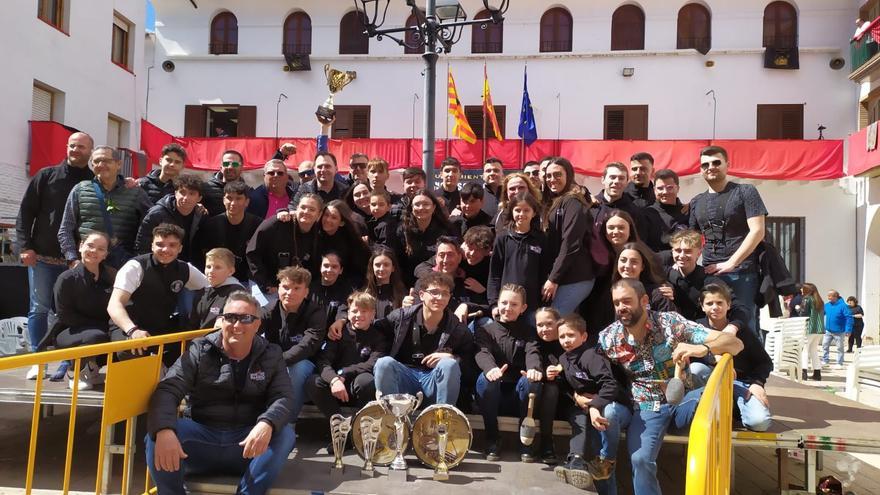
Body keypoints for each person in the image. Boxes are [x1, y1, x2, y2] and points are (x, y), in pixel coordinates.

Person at [597, 279, 743, 495]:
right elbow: (590, 369)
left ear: (644, 301)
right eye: (617, 303)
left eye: (627, 301)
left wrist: (702, 348)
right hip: (647, 407)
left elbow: (735, 344)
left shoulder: (670, 323)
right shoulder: (609, 338)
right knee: (640, 459)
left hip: (684, 399)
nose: (621, 308)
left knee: (711, 394)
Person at [145, 291, 295, 494]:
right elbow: (168, 388)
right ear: (221, 321)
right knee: (157, 435)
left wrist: (266, 423)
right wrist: (164, 429)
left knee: (284, 434)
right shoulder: (199, 349)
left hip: (246, 445)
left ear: (257, 324)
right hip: (201, 439)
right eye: (231, 318)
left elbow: (283, 397)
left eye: (246, 319)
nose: (237, 325)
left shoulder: (272, 353)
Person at [16, 131, 94, 379]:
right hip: (42, 259)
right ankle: (38, 362)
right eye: (72, 145)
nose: (75, 150)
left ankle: (66, 364)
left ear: (90, 151)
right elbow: (26, 212)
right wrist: (24, 246)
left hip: (77, 262)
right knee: (38, 309)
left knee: (69, 313)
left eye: (81, 146)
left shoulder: (94, 182)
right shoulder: (46, 176)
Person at [689, 145, 768, 340]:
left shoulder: (745, 191)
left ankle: (751, 371)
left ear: (727, 165)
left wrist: (732, 262)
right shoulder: (696, 201)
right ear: (700, 170)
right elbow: (693, 239)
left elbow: (757, 230)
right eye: (705, 164)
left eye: (716, 162)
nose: (711, 167)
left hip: (742, 272)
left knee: (745, 327)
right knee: (711, 327)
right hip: (710, 273)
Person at [106, 224, 209, 364]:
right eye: (160, 244)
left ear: (180, 249)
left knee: (193, 348)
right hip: (128, 326)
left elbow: (214, 285)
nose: (166, 249)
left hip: (160, 327)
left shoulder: (185, 269)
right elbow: (114, 305)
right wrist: (133, 331)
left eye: (172, 245)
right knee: (132, 350)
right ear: (152, 246)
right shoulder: (135, 267)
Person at [677, 284, 773, 432]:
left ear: (728, 305)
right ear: (702, 307)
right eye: (709, 303)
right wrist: (712, 357)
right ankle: (704, 411)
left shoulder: (742, 331)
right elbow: (692, 358)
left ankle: (735, 411)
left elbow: (764, 362)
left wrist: (757, 383)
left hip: (740, 383)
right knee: (696, 369)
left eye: (720, 303)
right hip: (709, 382)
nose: (715, 307)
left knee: (760, 423)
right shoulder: (696, 328)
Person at [372, 272, 474, 405]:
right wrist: (343, 321)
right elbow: (373, 328)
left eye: (445, 293)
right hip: (404, 379)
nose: (440, 297)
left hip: (435, 383)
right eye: (434, 292)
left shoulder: (459, 329)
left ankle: (442, 420)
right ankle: (392, 421)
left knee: (449, 364)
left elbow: (471, 368)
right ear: (421, 295)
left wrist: (453, 358)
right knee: (384, 363)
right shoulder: (401, 318)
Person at [474, 284, 543, 462]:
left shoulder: (529, 332)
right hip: (492, 395)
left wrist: (534, 369)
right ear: (498, 304)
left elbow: (532, 353)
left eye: (514, 304)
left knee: (531, 381)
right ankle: (492, 437)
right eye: (504, 302)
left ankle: (525, 441)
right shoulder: (485, 330)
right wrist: (491, 368)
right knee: (485, 379)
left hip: (517, 395)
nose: (508, 308)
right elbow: (482, 352)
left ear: (523, 308)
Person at [555, 314, 625, 490]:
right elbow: (566, 384)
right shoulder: (564, 359)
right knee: (579, 421)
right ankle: (574, 460)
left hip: (608, 407)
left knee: (601, 457)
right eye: (562, 336)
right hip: (586, 408)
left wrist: (595, 405)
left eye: (571, 335)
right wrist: (576, 396)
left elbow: (610, 385)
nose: (566, 340)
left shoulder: (591, 356)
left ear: (584, 336)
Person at [58, 146, 153, 269]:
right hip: (86, 264)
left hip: (122, 265)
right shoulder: (80, 190)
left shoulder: (135, 192)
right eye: (96, 161)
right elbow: (65, 228)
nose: (101, 164)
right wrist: (72, 259)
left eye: (106, 161)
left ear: (118, 164)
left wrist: (138, 260)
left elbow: (150, 228)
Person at [261, 266, 327, 427]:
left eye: (296, 288)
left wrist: (278, 361)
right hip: (276, 364)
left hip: (308, 367)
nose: (289, 292)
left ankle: (287, 423)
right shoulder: (268, 310)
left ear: (306, 292)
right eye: (285, 287)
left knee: (297, 367)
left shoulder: (316, 312)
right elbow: (251, 332)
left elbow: (308, 346)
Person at [305, 291, 388, 419]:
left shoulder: (379, 337)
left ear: (372, 314)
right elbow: (323, 360)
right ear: (348, 314)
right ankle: (339, 423)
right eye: (354, 311)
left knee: (367, 381)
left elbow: (372, 364)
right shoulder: (338, 333)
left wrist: (344, 372)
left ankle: (359, 425)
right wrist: (334, 379)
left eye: (364, 311)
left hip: (357, 387)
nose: (358, 315)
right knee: (313, 382)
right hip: (335, 388)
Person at [48, 232, 114, 390]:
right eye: (90, 245)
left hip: (102, 327)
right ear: (80, 246)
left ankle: (92, 368)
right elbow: (65, 315)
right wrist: (101, 326)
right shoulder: (66, 278)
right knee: (96, 335)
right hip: (70, 331)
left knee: (120, 336)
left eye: (100, 249)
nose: (94, 251)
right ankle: (75, 371)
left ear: (106, 254)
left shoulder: (112, 276)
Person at [665, 230, 750, 335]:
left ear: (699, 253)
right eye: (678, 250)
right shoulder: (666, 277)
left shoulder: (710, 282)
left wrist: (732, 327)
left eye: (688, 251)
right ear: (672, 252)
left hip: (703, 334)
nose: (682, 255)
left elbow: (740, 308)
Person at [542, 157, 596, 315]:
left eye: (558, 174)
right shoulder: (554, 201)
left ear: (569, 176)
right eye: (549, 176)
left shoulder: (573, 202)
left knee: (553, 319)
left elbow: (571, 243)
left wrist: (553, 279)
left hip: (575, 277)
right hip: (563, 276)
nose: (552, 179)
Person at [246, 194, 323, 298]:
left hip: (294, 286)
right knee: (268, 310)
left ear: (319, 214)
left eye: (312, 209)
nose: (306, 212)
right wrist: (265, 283)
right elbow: (252, 252)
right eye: (303, 207)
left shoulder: (318, 235)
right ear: (296, 208)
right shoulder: (276, 224)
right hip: (265, 283)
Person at [488, 192, 547, 319]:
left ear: (534, 213)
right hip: (507, 305)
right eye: (517, 210)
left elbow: (544, 271)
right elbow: (494, 273)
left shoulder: (540, 239)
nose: (522, 214)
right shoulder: (502, 238)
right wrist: (494, 303)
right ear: (512, 212)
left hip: (531, 305)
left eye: (526, 210)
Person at [195, 181, 262, 285]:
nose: (233, 203)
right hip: (217, 279)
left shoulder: (258, 225)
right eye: (229, 198)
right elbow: (200, 255)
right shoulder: (210, 225)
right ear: (223, 200)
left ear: (247, 202)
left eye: (238, 199)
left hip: (249, 280)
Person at [592, 162, 664, 253]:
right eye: (612, 177)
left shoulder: (635, 212)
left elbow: (639, 244)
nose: (616, 181)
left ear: (627, 182)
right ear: (603, 180)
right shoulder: (590, 206)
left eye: (621, 178)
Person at [135, 175, 206, 262]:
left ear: (199, 198)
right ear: (175, 193)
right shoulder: (156, 214)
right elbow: (142, 245)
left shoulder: (201, 215)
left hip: (186, 267)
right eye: (182, 192)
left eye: (192, 194)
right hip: (159, 264)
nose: (186, 198)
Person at [396, 189, 453, 286]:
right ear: (412, 208)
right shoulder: (403, 230)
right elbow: (398, 262)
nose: (421, 208)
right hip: (409, 285)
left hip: (437, 283)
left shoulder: (445, 230)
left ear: (434, 207)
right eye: (417, 204)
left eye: (426, 204)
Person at [534, 307, 564, 464]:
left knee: (552, 388)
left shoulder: (566, 342)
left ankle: (547, 443)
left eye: (549, 324)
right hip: (538, 399)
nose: (544, 329)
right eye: (540, 325)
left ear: (559, 323)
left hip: (563, 399)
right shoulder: (534, 343)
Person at [188, 248, 244, 330]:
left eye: (217, 267)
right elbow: (192, 325)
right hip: (199, 340)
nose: (211, 271)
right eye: (208, 266)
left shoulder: (238, 295)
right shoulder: (202, 292)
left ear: (231, 271)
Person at [613, 241, 676, 312]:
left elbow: (673, 321)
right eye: (623, 260)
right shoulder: (611, 292)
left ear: (642, 267)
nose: (627, 266)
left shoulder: (657, 295)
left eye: (634, 262)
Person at [647, 169, 689, 253]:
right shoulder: (646, 214)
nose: (665, 192)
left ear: (677, 188)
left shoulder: (688, 212)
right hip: (656, 263)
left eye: (669, 188)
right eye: (660, 188)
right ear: (654, 190)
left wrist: (695, 202)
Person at [201, 149, 249, 216]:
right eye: (226, 164)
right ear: (221, 167)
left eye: (235, 164)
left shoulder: (248, 191)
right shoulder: (205, 188)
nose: (230, 167)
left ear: (241, 168)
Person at [309, 252, 353, 324]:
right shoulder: (309, 288)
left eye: (334, 267)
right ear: (320, 268)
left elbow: (343, 310)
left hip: (334, 332)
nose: (329, 270)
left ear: (341, 270)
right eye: (326, 266)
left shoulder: (346, 290)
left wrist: (340, 321)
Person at [363, 247, 406, 319]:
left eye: (386, 265)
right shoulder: (364, 294)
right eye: (377, 265)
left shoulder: (401, 295)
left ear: (393, 268)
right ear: (372, 267)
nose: (381, 269)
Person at [798, 283, 825, 381]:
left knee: (805, 349)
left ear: (806, 290)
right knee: (814, 350)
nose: (801, 290)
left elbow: (803, 313)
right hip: (820, 328)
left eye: (802, 288)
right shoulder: (820, 300)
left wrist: (798, 309)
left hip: (809, 328)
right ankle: (817, 373)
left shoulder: (807, 299)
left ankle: (803, 373)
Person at [823, 290, 853, 369]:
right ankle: (825, 361)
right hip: (828, 331)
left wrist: (848, 330)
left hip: (839, 331)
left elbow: (849, 318)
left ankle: (840, 363)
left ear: (835, 296)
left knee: (839, 348)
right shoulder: (827, 305)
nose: (828, 297)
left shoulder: (843, 306)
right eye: (828, 295)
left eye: (830, 296)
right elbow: (821, 314)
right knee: (824, 345)